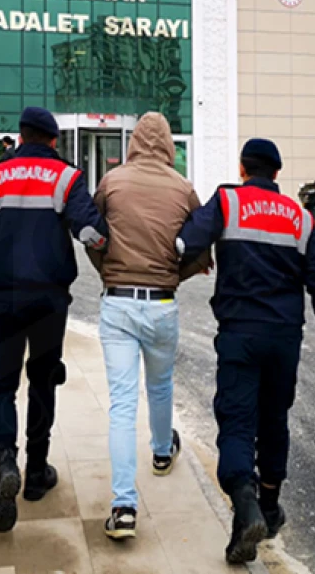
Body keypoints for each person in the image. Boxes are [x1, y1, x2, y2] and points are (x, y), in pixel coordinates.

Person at [0, 107, 109, 534]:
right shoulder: (68, 177)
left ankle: (4, 462)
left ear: (20, 136)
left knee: (1, 383)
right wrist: (105, 243)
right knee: (43, 377)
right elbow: (91, 233)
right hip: (51, 300)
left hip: (7, 299)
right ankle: (36, 473)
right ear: (53, 140)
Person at [176, 138, 315, 564]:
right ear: (277, 174)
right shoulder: (301, 219)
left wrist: (197, 258)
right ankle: (268, 507)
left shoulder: (228, 202)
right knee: (273, 419)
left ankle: (244, 503)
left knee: (236, 421)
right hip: (284, 337)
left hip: (239, 334)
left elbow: (185, 241)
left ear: (242, 168)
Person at [84, 112, 212, 540]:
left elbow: (92, 233)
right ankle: (162, 452)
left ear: (136, 141)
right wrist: (175, 275)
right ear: (168, 144)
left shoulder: (113, 182)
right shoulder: (183, 188)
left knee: (122, 405)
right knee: (160, 386)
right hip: (161, 304)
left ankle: (123, 507)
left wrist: (108, 271)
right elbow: (200, 244)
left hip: (118, 303)